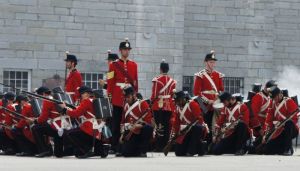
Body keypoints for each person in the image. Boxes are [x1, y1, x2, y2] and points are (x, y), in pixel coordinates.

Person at [107, 38, 138, 155]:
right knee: (116, 122)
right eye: (125, 49)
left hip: (129, 96)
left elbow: (135, 81)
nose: (127, 51)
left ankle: (124, 145)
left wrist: (135, 94)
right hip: (117, 96)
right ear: (120, 51)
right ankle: (114, 145)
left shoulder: (134, 65)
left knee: (127, 122)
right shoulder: (113, 65)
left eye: (128, 49)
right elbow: (110, 81)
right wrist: (110, 96)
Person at [60, 86, 110, 158]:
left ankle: (86, 150)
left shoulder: (86, 101)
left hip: (89, 128)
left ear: (84, 94)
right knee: (78, 153)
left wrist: (65, 109)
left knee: (69, 133)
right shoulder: (94, 101)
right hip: (97, 130)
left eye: (82, 94)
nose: (82, 96)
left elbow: (76, 114)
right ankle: (100, 150)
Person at [193, 50, 224, 143]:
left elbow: (221, 90)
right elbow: (196, 93)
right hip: (204, 104)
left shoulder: (218, 75)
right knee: (205, 123)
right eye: (211, 62)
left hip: (215, 103)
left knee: (215, 124)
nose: (213, 64)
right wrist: (207, 101)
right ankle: (204, 143)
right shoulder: (200, 75)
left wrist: (218, 100)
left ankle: (213, 143)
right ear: (205, 62)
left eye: (214, 62)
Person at [29, 87, 66, 157]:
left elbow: (43, 118)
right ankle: (58, 152)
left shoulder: (47, 100)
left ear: (43, 94)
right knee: (58, 154)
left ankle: (44, 150)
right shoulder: (56, 99)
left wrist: (35, 120)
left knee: (35, 128)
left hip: (56, 126)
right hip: (63, 125)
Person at [262, 87, 299, 155]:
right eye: (272, 98)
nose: (273, 99)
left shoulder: (288, 101)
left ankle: (288, 149)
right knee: (267, 149)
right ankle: (282, 149)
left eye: (275, 97)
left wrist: (282, 122)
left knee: (289, 123)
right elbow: (269, 119)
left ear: (280, 94)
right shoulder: (272, 102)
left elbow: (294, 118)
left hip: (291, 129)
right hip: (278, 130)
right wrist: (266, 133)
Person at [170, 91, 207, 156]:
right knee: (179, 153)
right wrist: (176, 134)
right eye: (176, 101)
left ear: (183, 99)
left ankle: (192, 151)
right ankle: (200, 148)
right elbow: (177, 122)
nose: (176, 102)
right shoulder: (178, 108)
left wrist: (189, 127)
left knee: (197, 128)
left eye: (178, 100)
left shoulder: (193, 104)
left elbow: (199, 120)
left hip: (196, 129)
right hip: (185, 131)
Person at [119, 86, 153, 157]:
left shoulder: (142, 103)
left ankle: (143, 151)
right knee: (126, 153)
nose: (126, 99)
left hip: (141, 132)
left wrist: (138, 125)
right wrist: (122, 134)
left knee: (148, 128)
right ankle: (137, 150)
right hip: (131, 132)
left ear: (134, 95)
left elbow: (149, 122)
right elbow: (122, 122)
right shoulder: (126, 106)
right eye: (125, 97)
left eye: (128, 97)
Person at [151, 59, 176, 151]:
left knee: (159, 126)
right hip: (168, 105)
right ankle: (165, 145)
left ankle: (158, 146)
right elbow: (173, 95)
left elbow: (154, 95)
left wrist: (152, 102)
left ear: (161, 69)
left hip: (158, 105)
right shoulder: (173, 81)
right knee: (166, 126)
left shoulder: (157, 80)